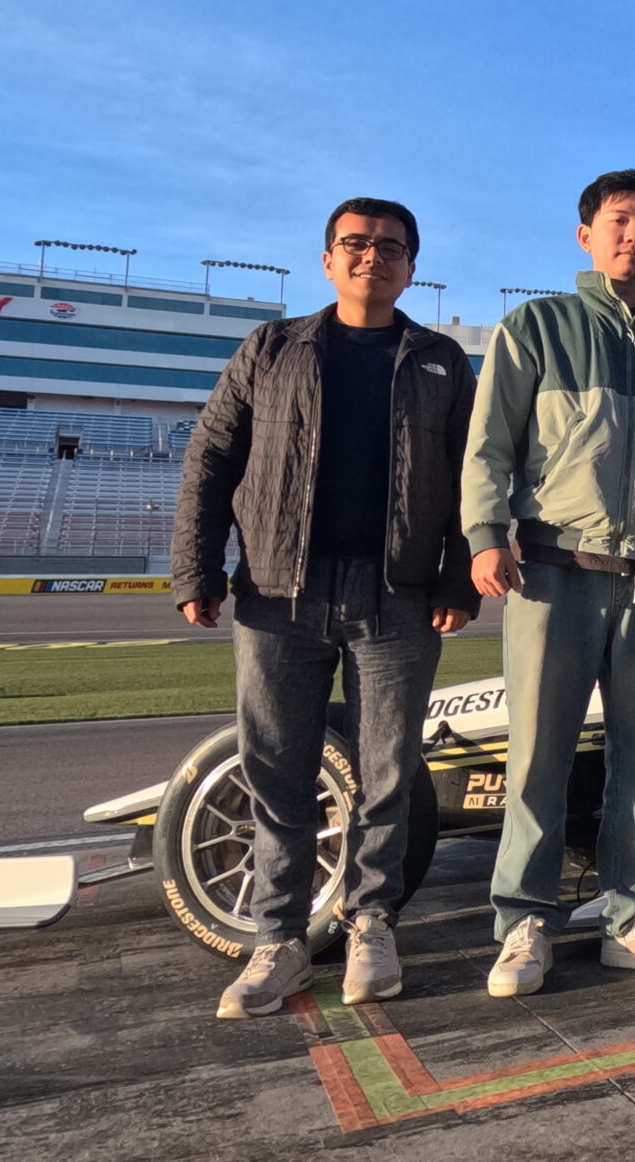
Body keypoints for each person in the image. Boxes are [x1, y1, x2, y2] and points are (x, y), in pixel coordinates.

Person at [172, 197, 481, 1019]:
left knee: (388, 770)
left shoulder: (443, 360)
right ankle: (277, 940)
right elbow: (209, 456)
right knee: (278, 771)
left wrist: (457, 578)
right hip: (276, 593)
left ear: (413, 265)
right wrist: (195, 566)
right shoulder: (270, 348)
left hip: (400, 595)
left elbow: (472, 481)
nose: (371, 256)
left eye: (390, 246)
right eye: (355, 243)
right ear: (326, 259)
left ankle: (372, 919)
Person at [463, 168, 635, 997]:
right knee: (537, 755)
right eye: (620, 219)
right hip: (552, 572)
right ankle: (523, 921)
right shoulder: (535, 328)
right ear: (585, 234)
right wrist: (486, 535)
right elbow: (488, 447)